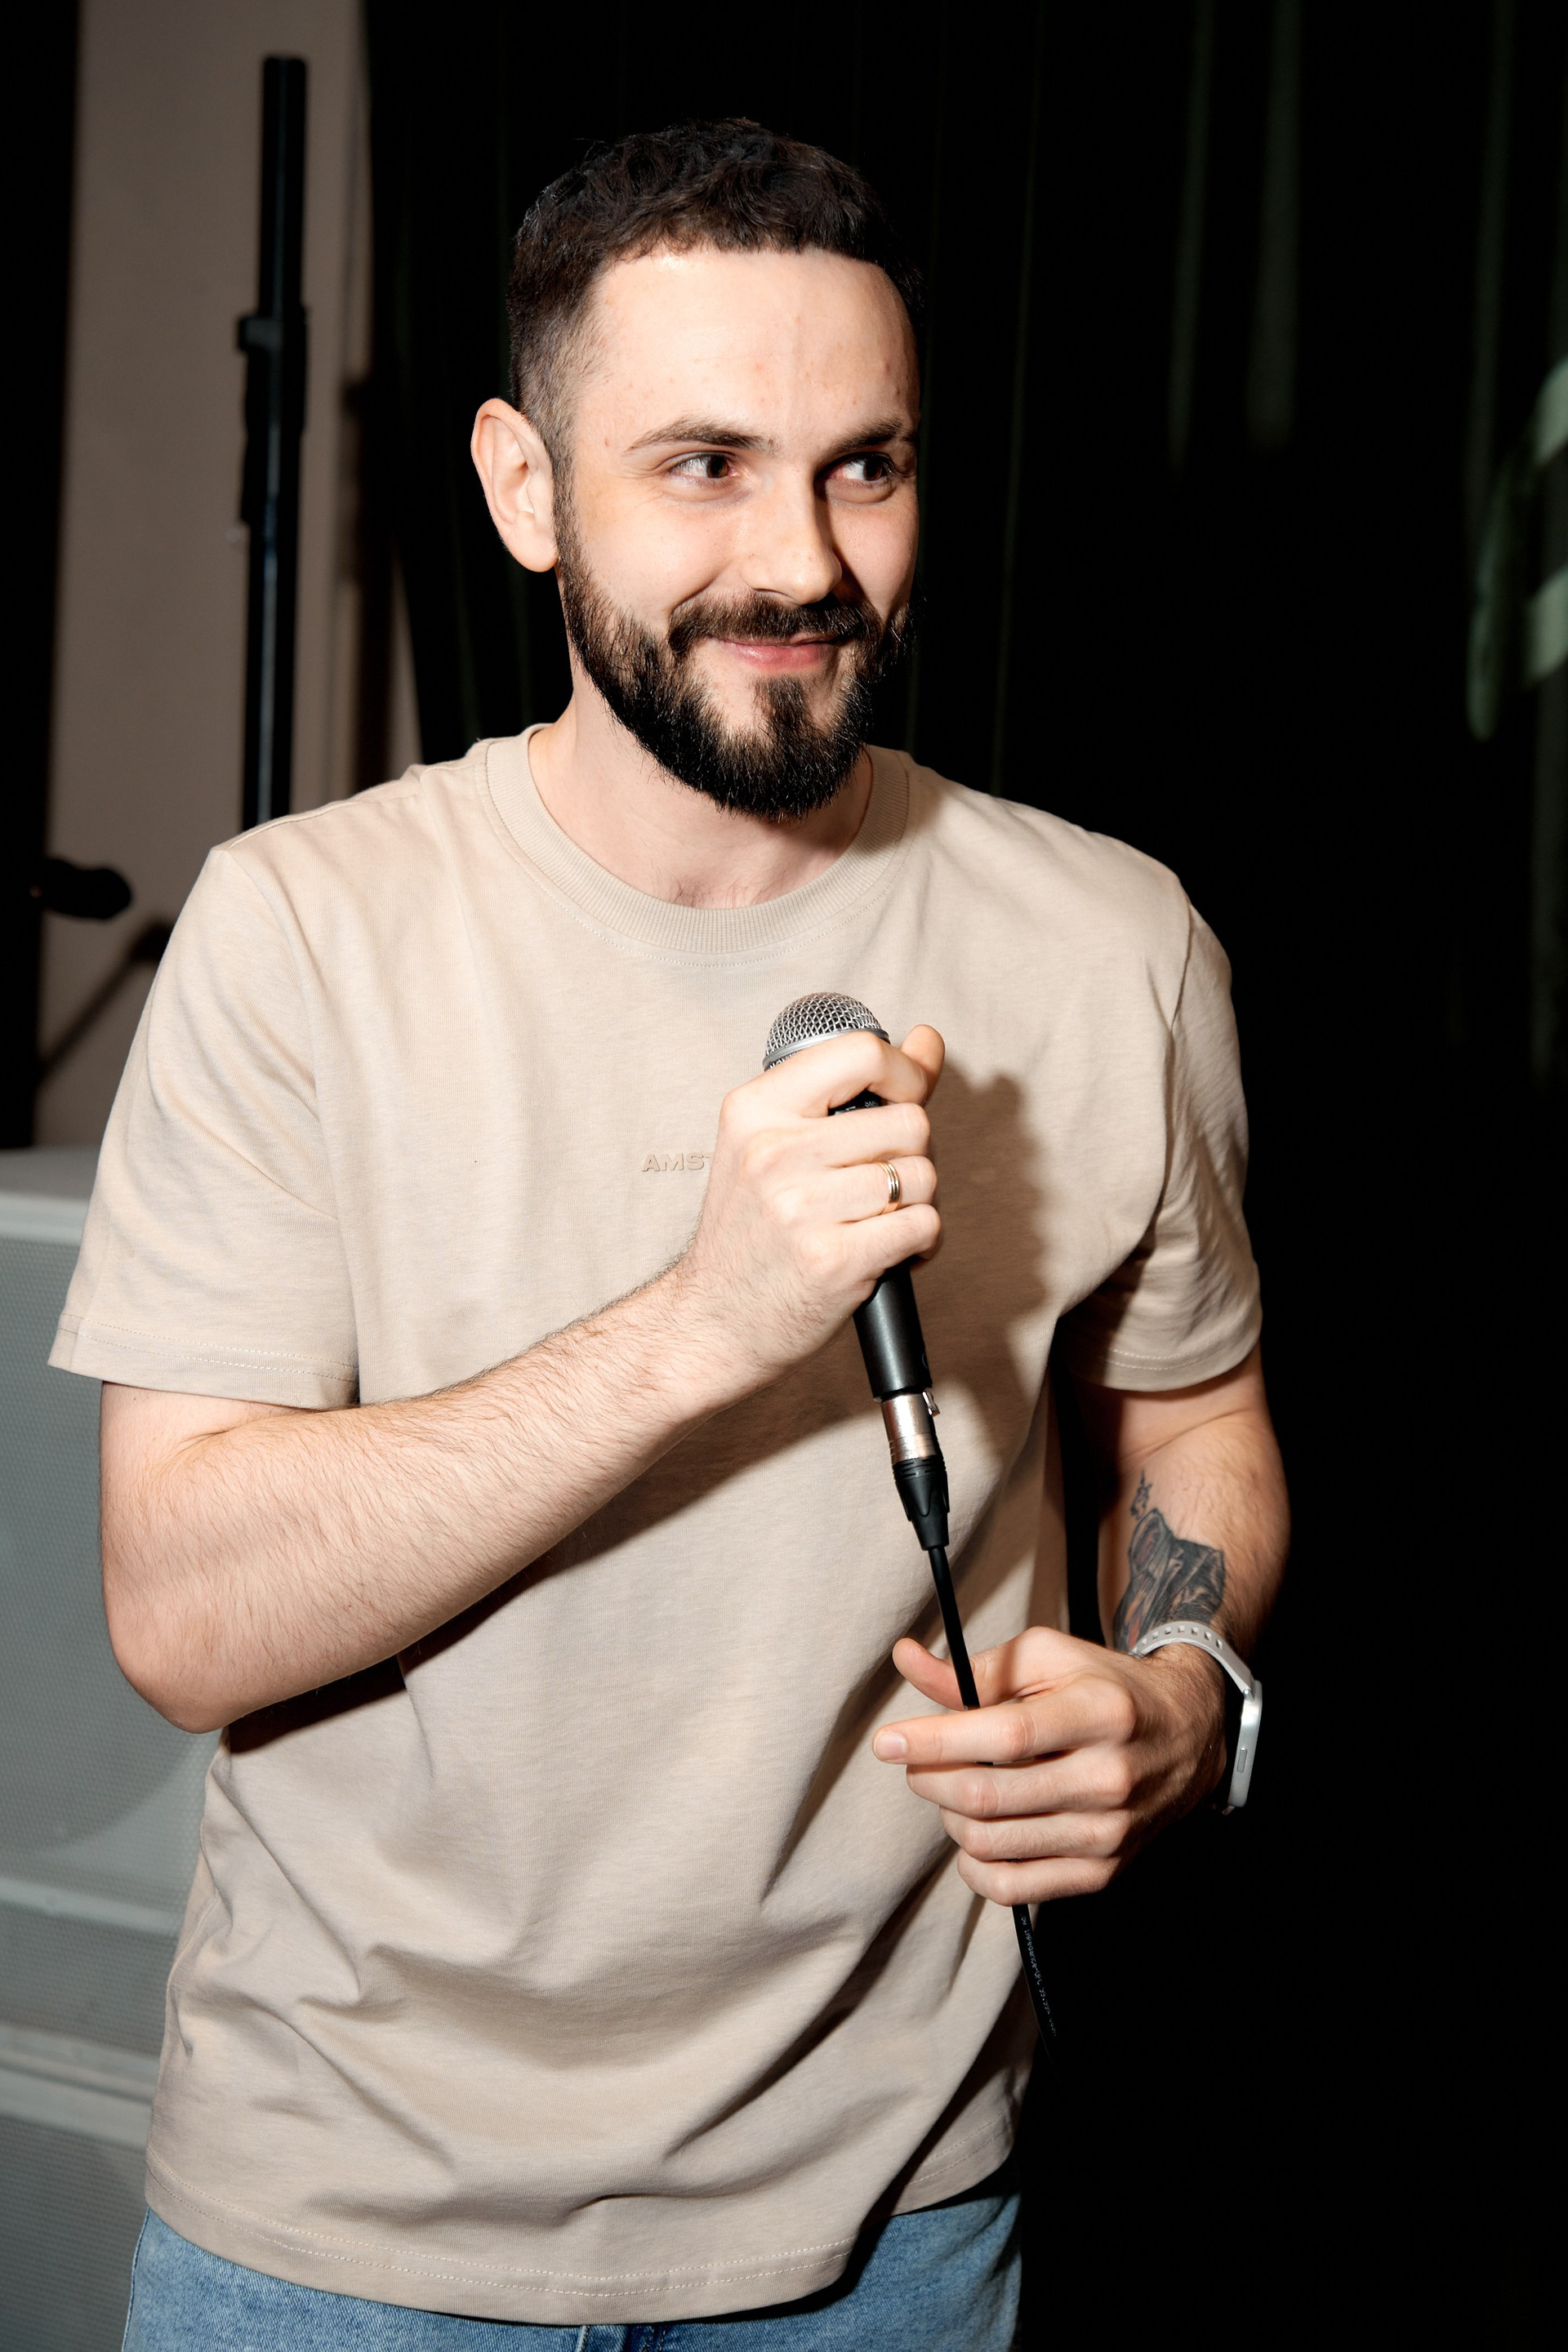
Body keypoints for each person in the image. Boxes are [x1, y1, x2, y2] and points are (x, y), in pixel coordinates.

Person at [57, 120, 1288, 2350]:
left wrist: (1186, 1691)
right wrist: (704, 1321)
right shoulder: (300, 934)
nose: (802, 561)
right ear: (526, 489)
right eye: (703, 467)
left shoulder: (1120, 948)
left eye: (865, 467)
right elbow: (185, 1614)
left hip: (900, 2225)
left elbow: (1195, 1428)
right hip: (341, 2238)